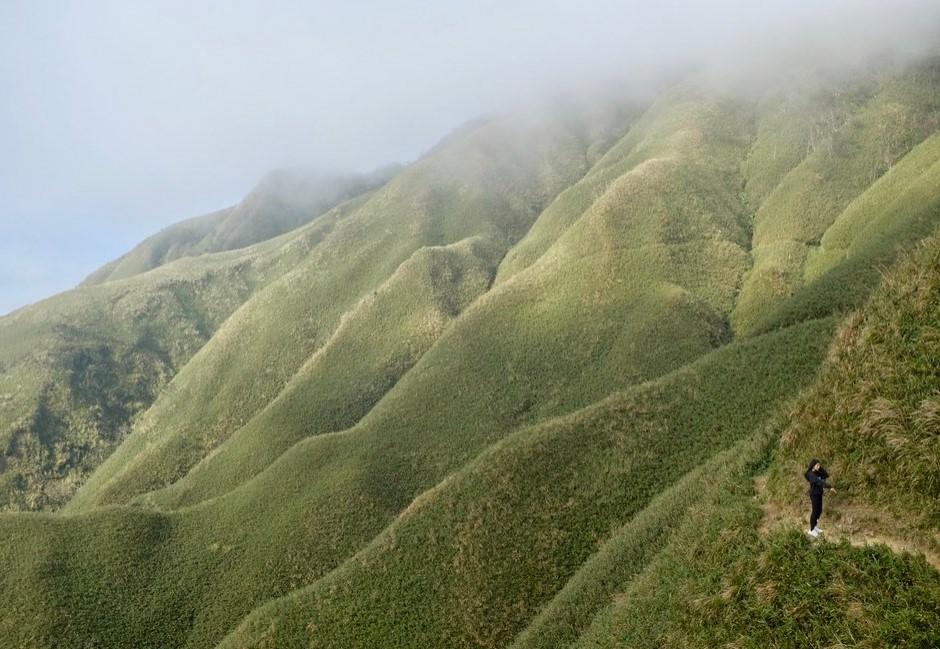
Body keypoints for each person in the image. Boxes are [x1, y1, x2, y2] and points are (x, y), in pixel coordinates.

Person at [805, 458, 835, 538]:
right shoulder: (810, 474)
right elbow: (819, 482)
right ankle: (811, 530)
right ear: (813, 466)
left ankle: (815, 527)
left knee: (819, 510)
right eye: (817, 465)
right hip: (814, 494)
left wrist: (819, 468)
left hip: (819, 493)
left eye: (819, 465)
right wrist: (829, 487)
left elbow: (826, 475)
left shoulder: (818, 472)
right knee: (815, 511)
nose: (819, 466)